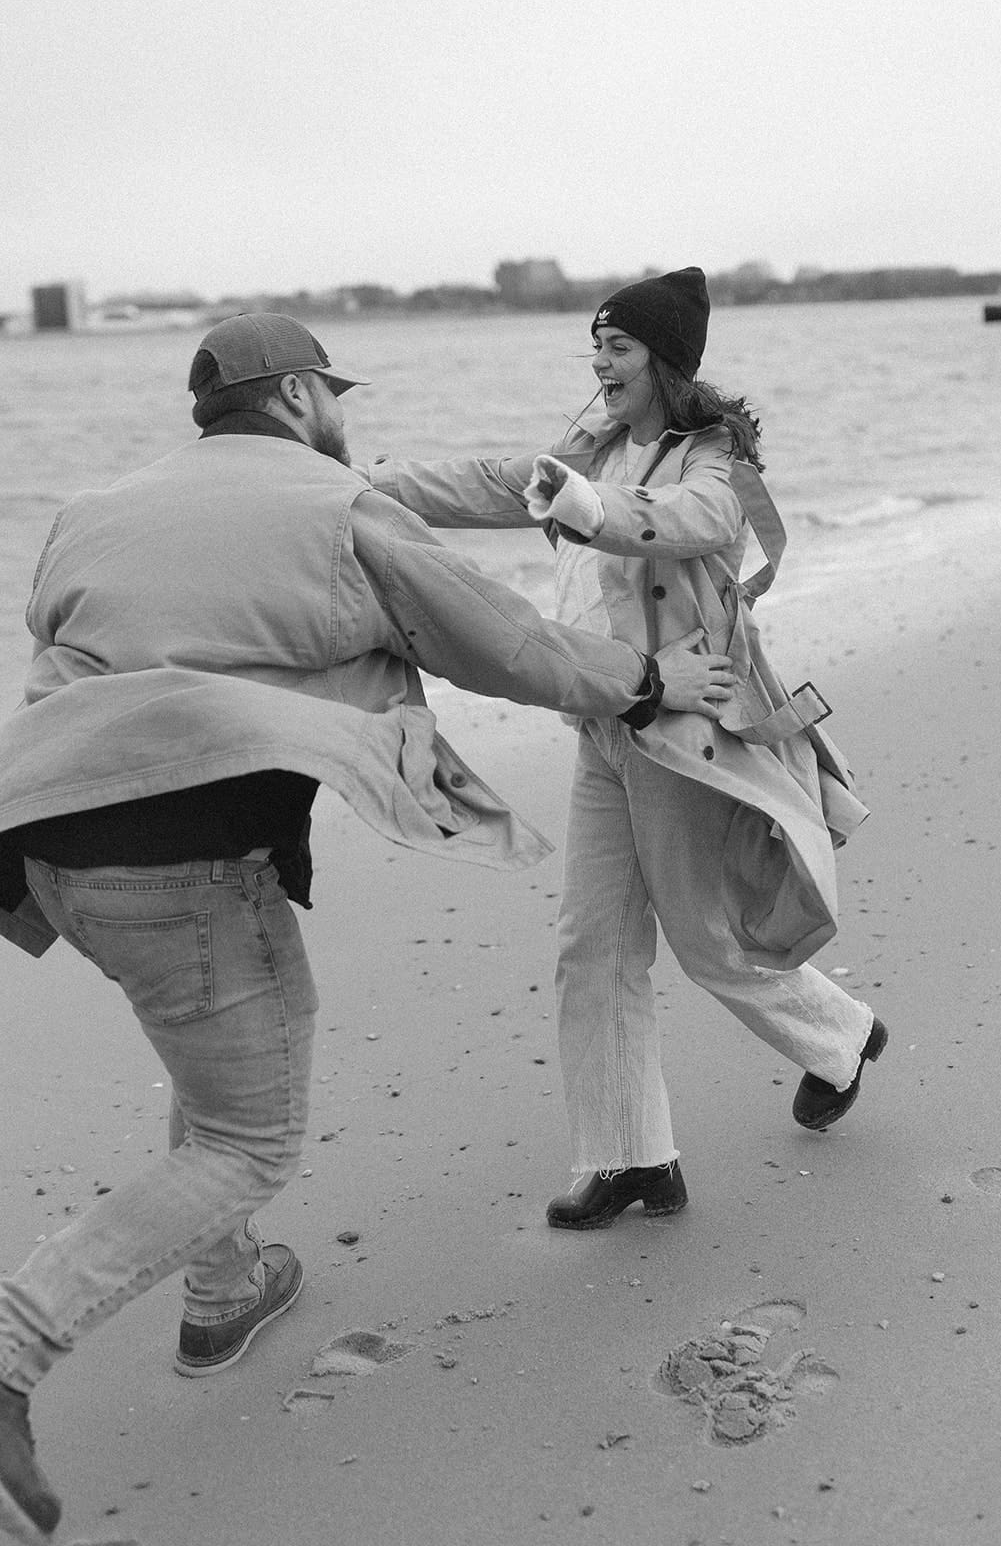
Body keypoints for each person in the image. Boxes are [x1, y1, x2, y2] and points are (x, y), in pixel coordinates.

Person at [0, 311, 736, 1543]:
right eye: (331, 393)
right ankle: (15, 1346)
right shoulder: (337, 509)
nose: (344, 415)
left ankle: (226, 1289)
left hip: (44, 845)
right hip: (182, 861)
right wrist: (648, 680)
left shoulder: (91, 506)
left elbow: (68, 668)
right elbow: (499, 644)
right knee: (246, 1138)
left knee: (212, 1060)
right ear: (294, 398)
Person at [371, 266, 888, 1233]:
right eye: (594, 346)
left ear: (664, 360)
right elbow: (498, 482)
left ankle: (842, 1037)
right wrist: (371, 485)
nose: (599, 362)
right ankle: (629, 1157)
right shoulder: (593, 445)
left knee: (706, 945)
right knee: (591, 945)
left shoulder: (713, 458)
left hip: (684, 733)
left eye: (618, 346)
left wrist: (584, 506)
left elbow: (698, 523)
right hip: (603, 723)